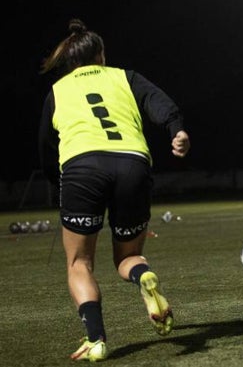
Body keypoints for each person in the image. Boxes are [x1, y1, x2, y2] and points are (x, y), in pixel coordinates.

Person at [38, 19, 190, 362]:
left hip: (81, 168)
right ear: (101, 55)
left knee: (79, 263)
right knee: (127, 257)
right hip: (132, 164)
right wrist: (175, 130)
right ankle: (143, 276)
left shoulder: (58, 91)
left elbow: (45, 148)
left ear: (70, 60)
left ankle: (96, 339)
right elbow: (160, 102)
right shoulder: (125, 76)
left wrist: (58, 184)